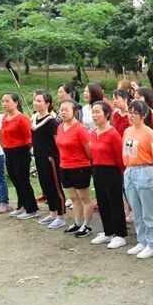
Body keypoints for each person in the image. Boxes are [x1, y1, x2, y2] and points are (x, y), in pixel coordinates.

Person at [122, 100, 153, 259]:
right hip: (130, 170)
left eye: (135, 113)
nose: (131, 116)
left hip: (145, 170)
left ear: (143, 115)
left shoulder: (150, 133)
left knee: (148, 211)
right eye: (129, 112)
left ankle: (152, 244)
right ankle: (142, 240)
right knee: (136, 210)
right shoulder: (127, 131)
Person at [88, 101, 127, 249]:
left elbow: (119, 156)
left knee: (115, 202)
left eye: (97, 112)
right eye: (93, 112)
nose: (94, 115)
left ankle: (120, 234)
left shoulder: (112, 133)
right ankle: (108, 231)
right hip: (97, 170)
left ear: (107, 114)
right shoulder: (93, 133)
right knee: (102, 202)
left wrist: (121, 173)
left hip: (112, 171)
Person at [56, 99, 94, 236]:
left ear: (74, 111)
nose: (63, 112)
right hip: (64, 167)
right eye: (61, 110)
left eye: (67, 110)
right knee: (73, 198)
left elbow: (89, 152)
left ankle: (87, 225)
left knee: (84, 198)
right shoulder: (60, 127)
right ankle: (77, 223)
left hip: (80, 167)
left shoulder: (80, 129)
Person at [0, 93, 39, 220]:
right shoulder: (4, 117)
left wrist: (31, 151)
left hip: (21, 152)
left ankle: (32, 208)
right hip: (8, 152)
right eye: (3, 101)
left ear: (16, 103)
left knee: (23, 180)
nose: (4, 104)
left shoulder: (22, 118)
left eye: (7, 101)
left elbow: (29, 137)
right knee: (15, 180)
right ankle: (22, 205)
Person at [31, 91, 66, 229]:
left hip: (50, 158)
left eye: (39, 101)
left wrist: (59, 157)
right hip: (39, 157)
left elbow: (58, 141)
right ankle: (52, 213)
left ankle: (61, 216)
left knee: (55, 186)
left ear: (47, 104)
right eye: (35, 100)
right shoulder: (34, 119)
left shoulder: (51, 121)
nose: (36, 103)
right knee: (45, 186)